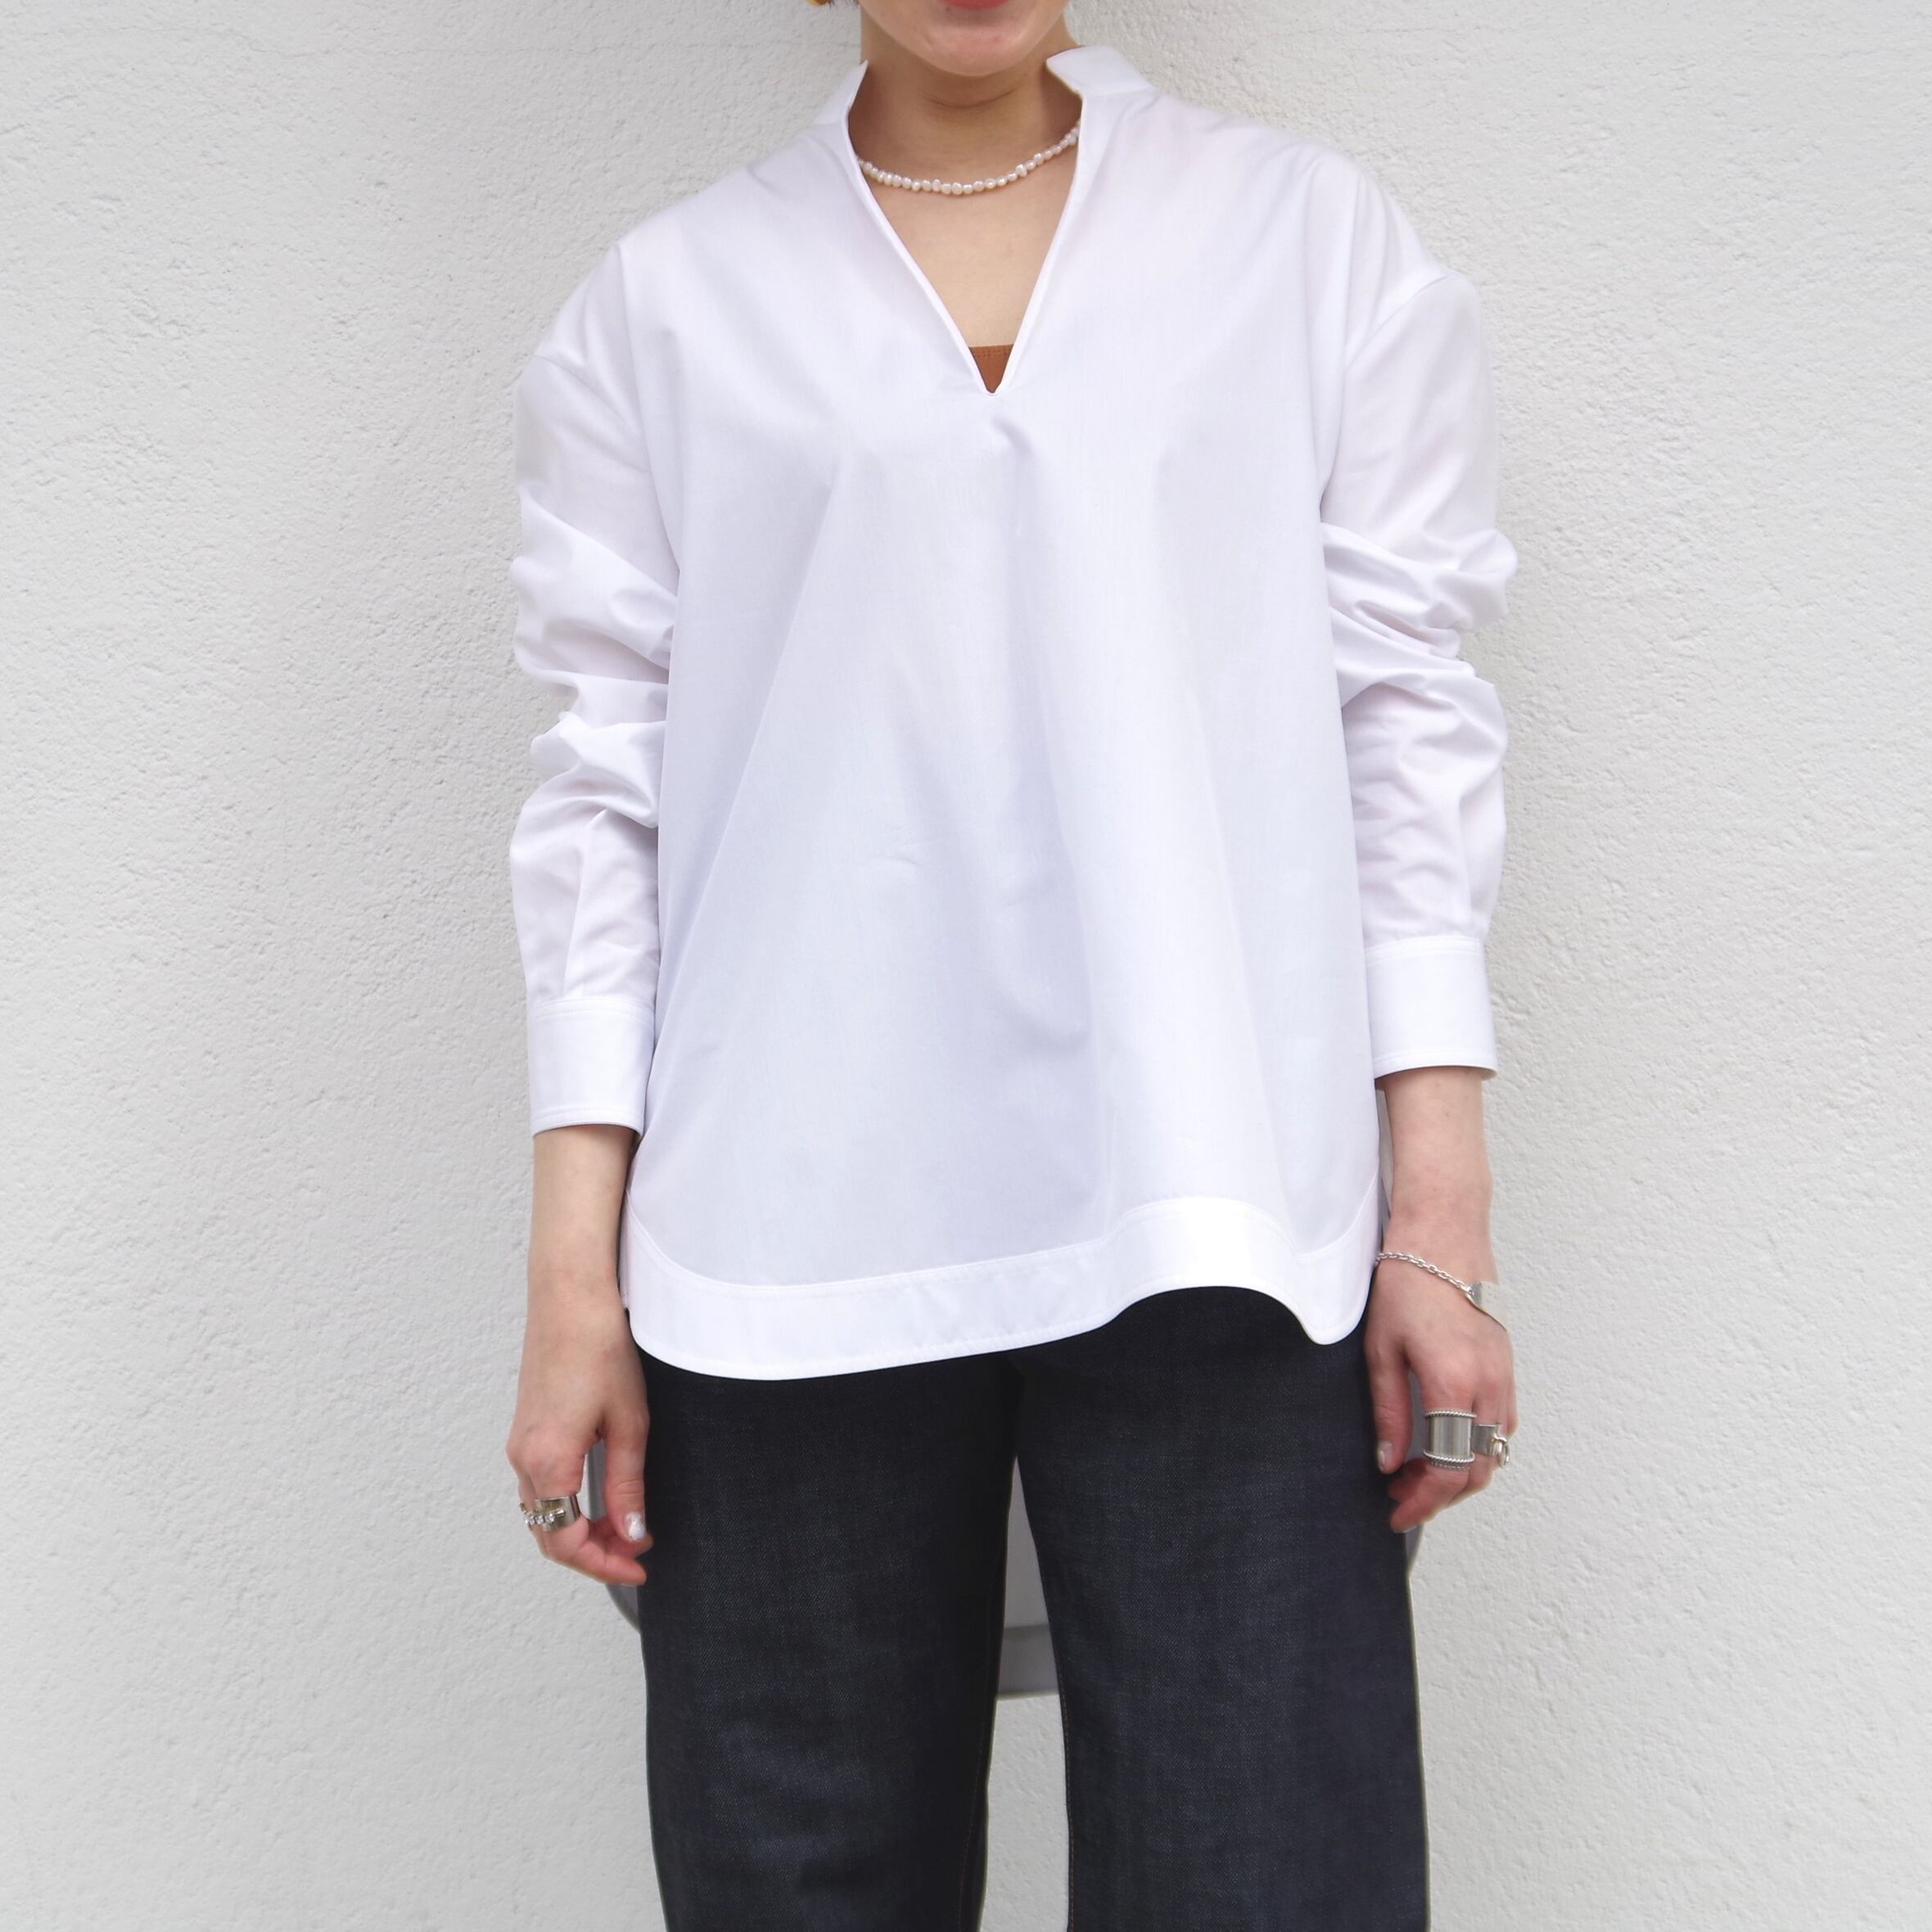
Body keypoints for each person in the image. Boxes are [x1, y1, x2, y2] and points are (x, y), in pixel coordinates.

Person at [502, 4, 1520, 1925]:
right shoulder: (666, 304)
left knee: (1260, 1877)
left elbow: (1407, 721)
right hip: (780, 1244)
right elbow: (601, 796)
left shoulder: (1300, 241)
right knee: (799, 1883)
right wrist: (575, 1286)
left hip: (1223, 1205)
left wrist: (1437, 1227)